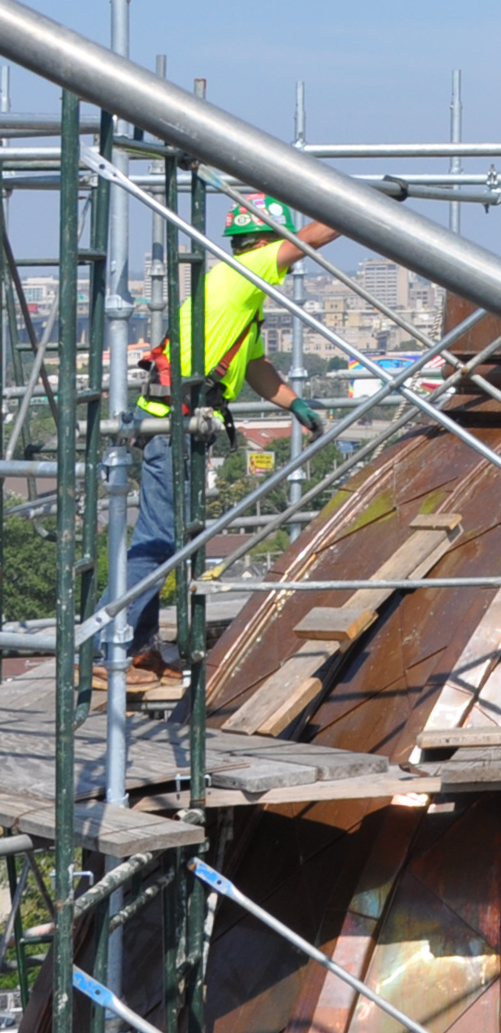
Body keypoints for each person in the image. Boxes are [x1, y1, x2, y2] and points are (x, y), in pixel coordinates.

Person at [128, 192, 336, 676]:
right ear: (264, 240)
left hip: (180, 421)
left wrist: (294, 402)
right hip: (172, 422)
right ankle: (114, 648)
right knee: (158, 538)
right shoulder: (248, 270)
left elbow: (256, 366)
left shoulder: (240, 293)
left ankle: (137, 645)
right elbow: (312, 236)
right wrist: (365, 207)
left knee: (165, 536)